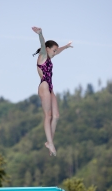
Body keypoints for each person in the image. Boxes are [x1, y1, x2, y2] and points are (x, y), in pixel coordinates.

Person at [32, 26, 73, 156]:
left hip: (50, 87)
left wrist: (66, 46)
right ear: (48, 49)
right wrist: (40, 34)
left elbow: (58, 50)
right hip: (44, 86)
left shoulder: (49, 57)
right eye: (53, 51)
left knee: (56, 116)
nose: (55, 53)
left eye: (56, 51)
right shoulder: (43, 55)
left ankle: (50, 142)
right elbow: (42, 44)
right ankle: (50, 142)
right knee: (48, 115)